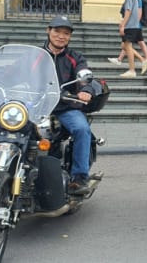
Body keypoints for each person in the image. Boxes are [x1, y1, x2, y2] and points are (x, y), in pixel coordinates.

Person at [43, 15, 95, 195]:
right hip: (37, 107)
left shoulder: (75, 57)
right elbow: (13, 71)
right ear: (48, 31)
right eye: (57, 31)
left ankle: (79, 177)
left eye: (66, 33)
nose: (61, 36)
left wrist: (86, 89)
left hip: (65, 107)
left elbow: (84, 75)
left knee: (81, 129)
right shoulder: (36, 56)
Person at [108, 0, 147, 75]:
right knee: (127, 45)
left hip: (134, 25)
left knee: (129, 45)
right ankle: (141, 60)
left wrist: (128, 24)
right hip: (134, 25)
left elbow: (138, 11)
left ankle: (143, 61)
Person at [116, 0, 146, 78]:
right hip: (135, 25)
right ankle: (142, 61)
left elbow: (128, 10)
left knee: (127, 47)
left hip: (130, 26)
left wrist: (122, 25)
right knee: (125, 46)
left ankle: (132, 70)